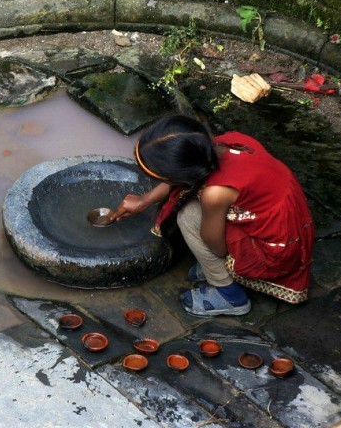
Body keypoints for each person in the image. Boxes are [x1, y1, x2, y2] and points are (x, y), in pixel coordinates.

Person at [112, 114, 314, 317]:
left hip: (276, 247)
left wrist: (215, 263)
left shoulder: (215, 193)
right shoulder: (227, 141)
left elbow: (216, 247)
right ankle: (219, 272)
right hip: (286, 220)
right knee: (193, 206)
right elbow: (183, 178)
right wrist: (144, 200)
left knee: (189, 217)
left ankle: (230, 295)